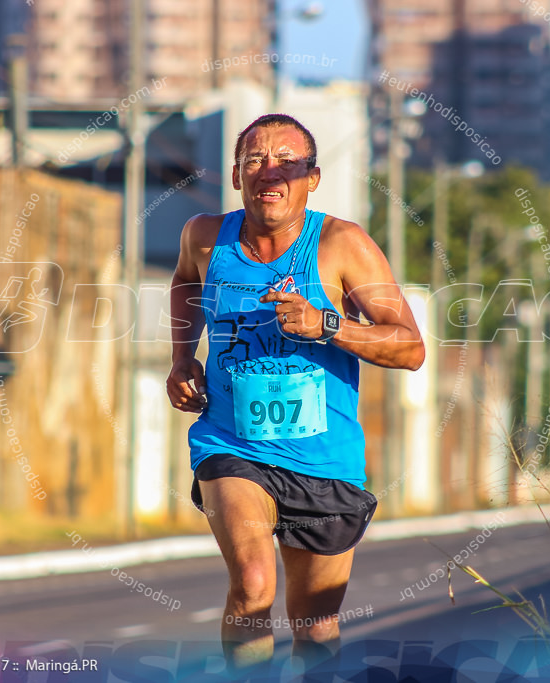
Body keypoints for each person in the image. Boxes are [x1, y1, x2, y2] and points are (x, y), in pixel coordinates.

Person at [166, 113, 424, 674]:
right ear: (236, 176)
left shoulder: (341, 244)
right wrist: (182, 355)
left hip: (324, 457)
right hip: (232, 444)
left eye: (288, 161)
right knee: (254, 586)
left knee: (316, 624)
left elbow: (409, 348)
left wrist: (328, 325)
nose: (271, 172)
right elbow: (186, 281)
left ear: (313, 177)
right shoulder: (206, 236)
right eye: (255, 161)